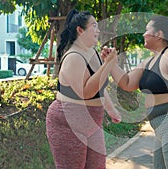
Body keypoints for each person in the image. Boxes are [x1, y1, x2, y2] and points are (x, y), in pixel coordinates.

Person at [102, 15, 168, 169]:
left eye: (147, 30)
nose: (143, 34)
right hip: (161, 125)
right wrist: (111, 62)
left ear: (159, 34)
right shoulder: (149, 61)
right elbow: (127, 83)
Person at [46, 9, 121, 169]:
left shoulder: (92, 53)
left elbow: (98, 85)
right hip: (67, 123)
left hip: (93, 122)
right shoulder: (73, 57)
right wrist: (108, 64)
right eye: (94, 26)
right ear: (80, 30)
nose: (98, 30)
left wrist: (111, 109)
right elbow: (86, 92)